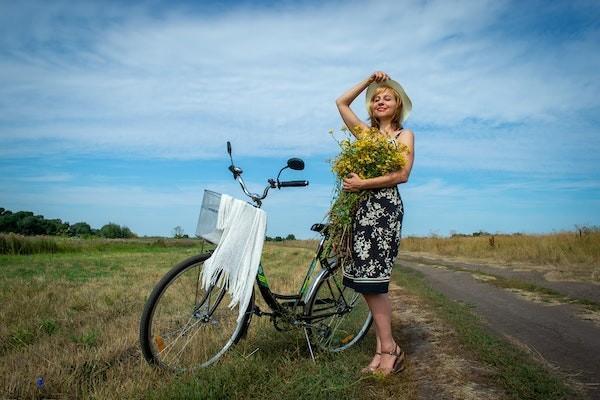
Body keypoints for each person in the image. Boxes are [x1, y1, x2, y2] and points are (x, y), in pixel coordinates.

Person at [335, 71, 415, 375]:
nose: (381, 101)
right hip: (362, 209)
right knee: (366, 282)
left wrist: (362, 182)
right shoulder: (366, 136)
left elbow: (402, 175)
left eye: (387, 98)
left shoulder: (403, 136)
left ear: (398, 106)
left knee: (375, 282)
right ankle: (385, 347)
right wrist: (369, 81)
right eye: (376, 99)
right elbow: (341, 102)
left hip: (384, 209)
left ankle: (388, 349)